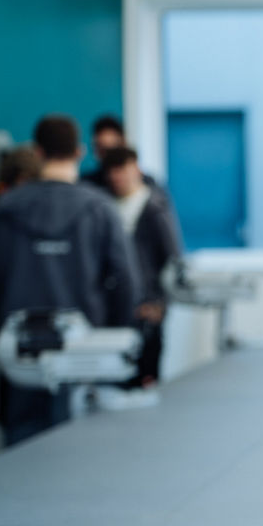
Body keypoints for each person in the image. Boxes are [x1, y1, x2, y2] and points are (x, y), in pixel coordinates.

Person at [0, 114, 139, 445]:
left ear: (38, 153)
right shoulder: (100, 210)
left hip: (20, 360)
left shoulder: (5, 210)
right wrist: (111, 340)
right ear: (80, 151)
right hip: (84, 359)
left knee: (21, 460)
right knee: (79, 457)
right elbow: (127, 284)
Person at [101, 146, 181, 387]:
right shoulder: (103, 207)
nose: (118, 178)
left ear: (135, 169)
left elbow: (172, 259)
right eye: (113, 173)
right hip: (114, 307)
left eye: (122, 171)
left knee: (146, 377)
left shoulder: (154, 207)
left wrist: (160, 303)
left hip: (148, 307)